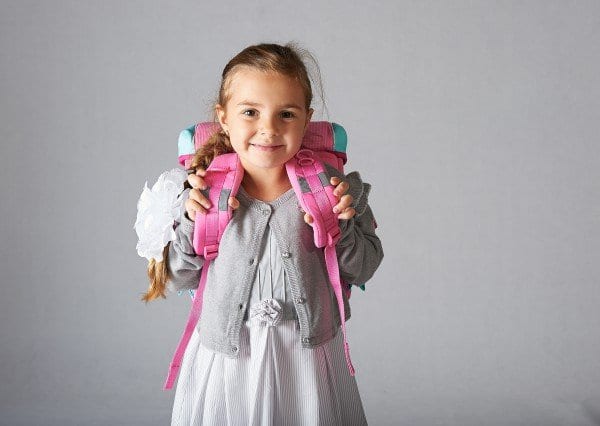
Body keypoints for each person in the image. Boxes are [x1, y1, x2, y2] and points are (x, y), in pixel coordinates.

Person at [141, 42, 384, 425]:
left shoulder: (333, 189)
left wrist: (343, 225)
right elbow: (180, 277)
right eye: (250, 112)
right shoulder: (202, 192)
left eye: (286, 114)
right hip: (228, 359)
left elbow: (364, 267)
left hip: (307, 360)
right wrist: (190, 223)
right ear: (223, 118)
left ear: (307, 120)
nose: (268, 129)